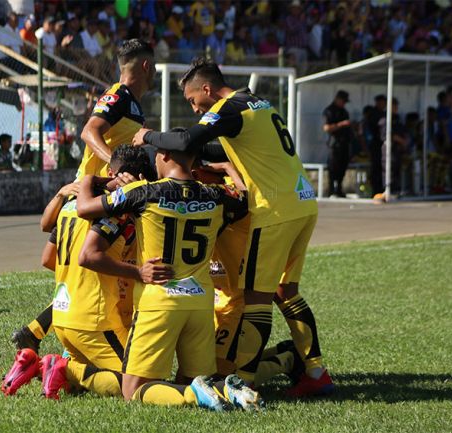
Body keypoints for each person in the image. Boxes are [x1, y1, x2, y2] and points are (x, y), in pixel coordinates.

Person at [132, 58, 334, 398]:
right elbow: (220, 147)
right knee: (286, 290)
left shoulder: (230, 107)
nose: (195, 110)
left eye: (194, 101)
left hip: (274, 209)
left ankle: (242, 381)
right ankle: (315, 370)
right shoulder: (256, 103)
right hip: (302, 201)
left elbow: (186, 142)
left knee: (256, 298)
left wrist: (147, 135)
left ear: (207, 89)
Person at [76, 143, 262, 411]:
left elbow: (84, 208)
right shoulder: (216, 194)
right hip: (200, 302)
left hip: (160, 299)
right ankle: (221, 389)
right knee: (192, 378)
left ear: (164, 157)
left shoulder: (142, 192)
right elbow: (245, 197)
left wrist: (91, 179)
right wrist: (227, 168)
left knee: (133, 389)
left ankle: (196, 395)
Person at [2, 145, 157, 398]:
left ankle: (40, 365)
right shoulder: (117, 208)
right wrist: (133, 272)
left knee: (85, 380)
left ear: (109, 171)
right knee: (137, 384)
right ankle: (51, 366)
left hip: (63, 319)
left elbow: (48, 258)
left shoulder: (72, 203)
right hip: (92, 320)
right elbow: (91, 256)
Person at [77, 39, 154, 180]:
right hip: (93, 191)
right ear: (146, 66)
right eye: (154, 66)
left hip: (112, 190)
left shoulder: (133, 103)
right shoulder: (118, 94)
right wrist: (118, 165)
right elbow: (88, 132)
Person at [323, 90, 353, 198]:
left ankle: (339, 189)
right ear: (337, 99)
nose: (344, 103)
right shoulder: (329, 111)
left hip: (344, 143)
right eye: (343, 101)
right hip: (334, 144)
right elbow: (326, 128)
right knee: (333, 168)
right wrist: (341, 124)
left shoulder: (344, 111)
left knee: (342, 167)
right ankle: (331, 190)